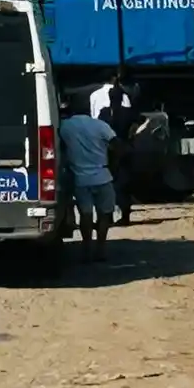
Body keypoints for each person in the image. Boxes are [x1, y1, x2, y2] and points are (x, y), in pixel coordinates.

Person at [57, 92, 118, 261]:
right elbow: (117, 145)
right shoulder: (100, 125)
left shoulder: (65, 127)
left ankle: (86, 249)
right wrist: (113, 166)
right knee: (104, 214)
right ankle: (101, 249)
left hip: (80, 179)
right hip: (103, 176)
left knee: (85, 214)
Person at [91, 73, 136, 227]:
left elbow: (97, 128)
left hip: (107, 151)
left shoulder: (104, 113)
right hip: (124, 149)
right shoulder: (127, 112)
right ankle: (125, 216)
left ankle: (107, 216)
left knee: (106, 184)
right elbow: (136, 124)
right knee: (124, 184)